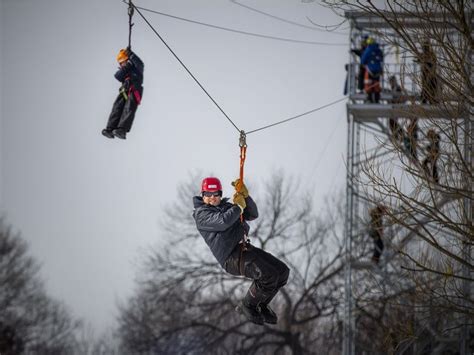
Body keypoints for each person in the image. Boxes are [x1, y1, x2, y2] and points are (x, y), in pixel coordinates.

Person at [193, 177, 290, 325]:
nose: (212, 198)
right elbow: (223, 222)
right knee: (268, 275)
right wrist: (237, 206)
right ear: (202, 195)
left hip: (244, 249)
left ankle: (261, 304)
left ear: (220, 194)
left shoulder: (227, 207)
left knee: (282, 272)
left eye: (216, 194)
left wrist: (245, 197)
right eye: (208, 194)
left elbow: (252, 214)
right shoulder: (201, 214)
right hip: (231, 257)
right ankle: (247, 305)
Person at [102, 48, 144, 140]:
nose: (121, 64)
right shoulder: (124, 70)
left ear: (128, 60)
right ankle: (110, 128)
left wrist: (131, 55)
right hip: (124, 90)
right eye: (120, 63)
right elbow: (117, 76)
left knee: (128, 108)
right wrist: (126, 66)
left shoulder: (137, 69)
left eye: (123, 62)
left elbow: (140, 64)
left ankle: (122, 129)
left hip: (134, 89)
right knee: (117, 108)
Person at [361, 37, 384, 103]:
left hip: (370, 70)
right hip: (378, 71)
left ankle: (370, 99)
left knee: (369, 84)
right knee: (376, 84)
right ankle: (377, 99)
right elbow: (381, 58)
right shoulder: (378, 50)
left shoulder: (368, 50)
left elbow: (363, 61)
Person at [388, 75, 404, 142]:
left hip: (397, 107)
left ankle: (399, 135)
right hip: (395, 107)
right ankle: (398, 135)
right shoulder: (393, 88)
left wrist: (393, 101)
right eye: (390, 81)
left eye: (391, 81)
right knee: (392, 122)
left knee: (392, 122)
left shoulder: (397, 88)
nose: (391, 83)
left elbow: (398, 97)